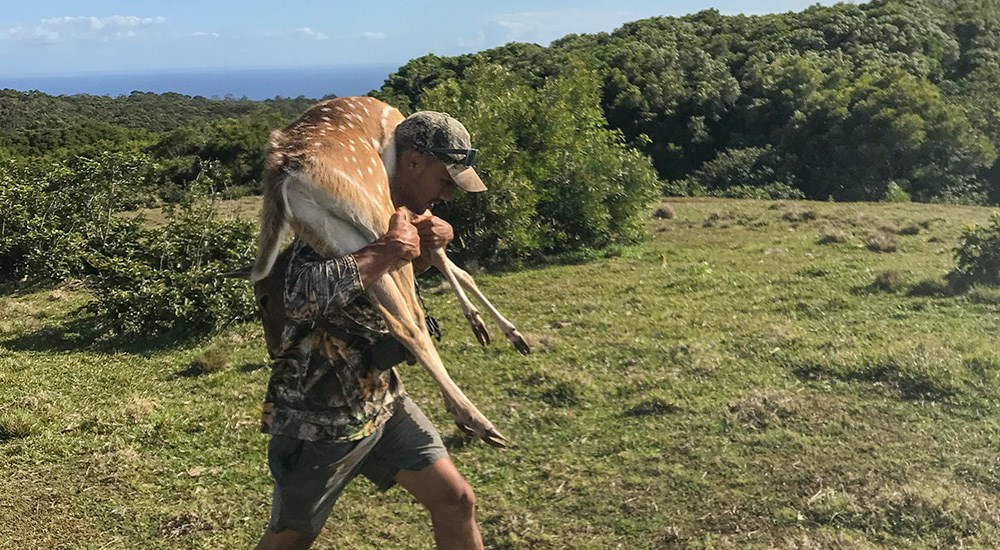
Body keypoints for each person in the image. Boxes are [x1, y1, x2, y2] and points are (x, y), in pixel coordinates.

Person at [253, 111, 490, 550]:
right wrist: (386, 249)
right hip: (320, 419)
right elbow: (300, 295)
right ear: (414, 162)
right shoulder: (332, 211)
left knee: (456, 500)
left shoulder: (392, 215)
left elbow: (388, 285)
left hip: (381, 400)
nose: (449, 192)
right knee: (288, 540)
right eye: (445, 178)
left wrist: (426, 249)